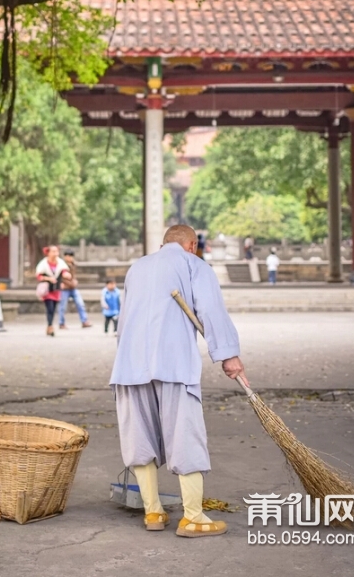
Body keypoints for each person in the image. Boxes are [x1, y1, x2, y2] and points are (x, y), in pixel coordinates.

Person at [109, 224, 248, 539]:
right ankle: (193, 517)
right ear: (192, 244)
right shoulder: (193, 265)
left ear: (163, 244)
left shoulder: (137, 268)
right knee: (185, 434)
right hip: (172, 363)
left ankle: (153, 512)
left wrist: (127, 358)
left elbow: (122, 321)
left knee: (139, 437)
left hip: (130, 364)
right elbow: (211, 311)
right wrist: (228, 355)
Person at [35, 245, 69, 336]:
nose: (55, 253)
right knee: (49, 308)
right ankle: (50, 326)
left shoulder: (60, 263)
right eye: (53, 251)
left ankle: (49, 326)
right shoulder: (43, 264)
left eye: (56, 251)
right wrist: (48, 278)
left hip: (56, 289)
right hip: (47, 289)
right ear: (48, 253)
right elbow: (38, 276)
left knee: (53, 309)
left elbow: (64, 271)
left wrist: (66, 275)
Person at [58, 250, 92, 329]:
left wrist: (75, 281)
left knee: (80, 304)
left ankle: (84, 321)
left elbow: (73, 275)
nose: (69, 258)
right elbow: (59, 276)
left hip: (73, 288)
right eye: (67, 256)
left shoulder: (73, 264)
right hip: (64, 288)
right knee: (62, 306)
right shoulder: (61, 265)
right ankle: (61, 323)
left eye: (70, 256)